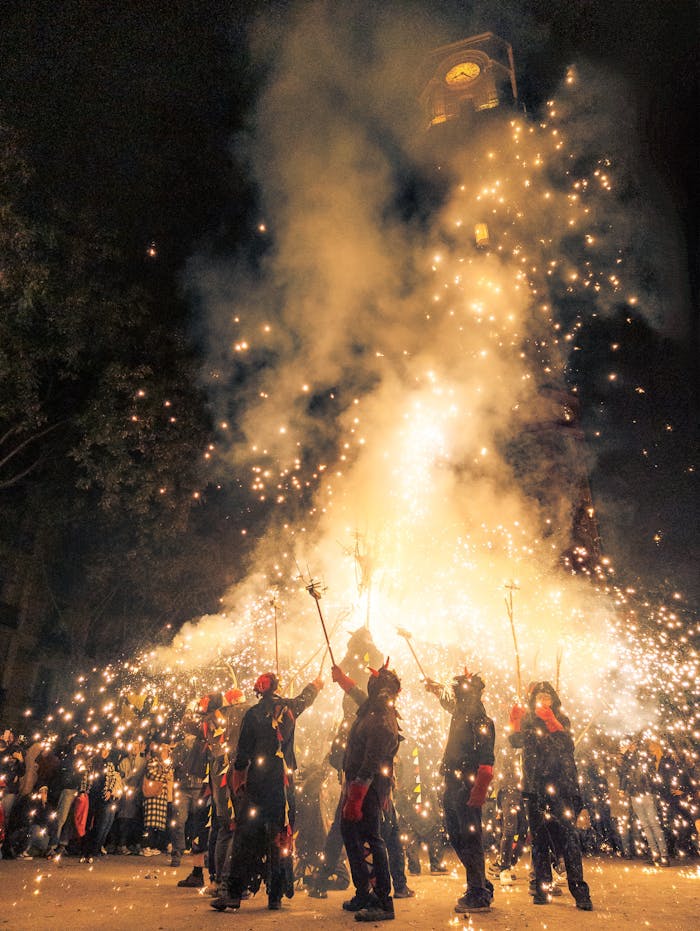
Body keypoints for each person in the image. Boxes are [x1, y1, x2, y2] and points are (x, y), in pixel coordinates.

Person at [211, 672, 322, 912]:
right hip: (282, 786)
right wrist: (316, 685)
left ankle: (234, 893)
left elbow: (242, 754)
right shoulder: (290, 708)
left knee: (245, 837)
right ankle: (276, 894)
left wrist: (238, 778)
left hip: (258, 785)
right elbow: (306, 698)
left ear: (258, 691)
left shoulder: (252, 714)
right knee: (279, 838)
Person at [509, 681, 593, 910]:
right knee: (539, 841)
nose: (543, 699)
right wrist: (516, 722)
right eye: (539, 695)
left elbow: (567, 746)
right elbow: (516, 743)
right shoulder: (528, 719)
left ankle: (580, 891)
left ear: (553, 698)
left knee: (569, 840)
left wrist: (551, 721)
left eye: (547, 695)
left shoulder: (561, 719)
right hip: (534, 789)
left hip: (559, 789)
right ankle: (542, 889)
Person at [337, 660, 402, 923]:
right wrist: (342, 680)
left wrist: (356, 796)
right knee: (350, 833)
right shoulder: (372, 708)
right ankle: (364, 891)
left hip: (368, 788)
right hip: (357, 784)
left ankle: (382, 900)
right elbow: (358, 695)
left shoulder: (382, 719)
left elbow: (372, 761)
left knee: (370, 838)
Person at [425, 670, 495, 914]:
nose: (457, 696)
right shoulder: (462, 711)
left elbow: (487, 762)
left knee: (470, 838)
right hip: (453, 782)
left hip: (467, 784)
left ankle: (478, 894)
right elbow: (450, 705)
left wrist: (479, 789)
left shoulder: (480, 719)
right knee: (456, 835)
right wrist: (437, 691)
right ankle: (480, 883)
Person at [169, 714, 210, 886]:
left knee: (199, 825)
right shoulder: (180, 747)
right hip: (184, 788)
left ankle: (201, 859)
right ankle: (177, 853)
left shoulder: (203, 743)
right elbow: (173, 764)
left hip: (199, 788)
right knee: (179, 821)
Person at [619, 736, 669, 865]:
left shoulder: (642, 754)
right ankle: (655, 854)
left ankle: (664, 855)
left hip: (646, 793)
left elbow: (636, 767)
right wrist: (622, 788)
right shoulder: (628, 757)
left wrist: (626, 755)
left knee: (653, 824)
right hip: (635, 795)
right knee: (646, 825)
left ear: (633, 743)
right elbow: (625, 772)